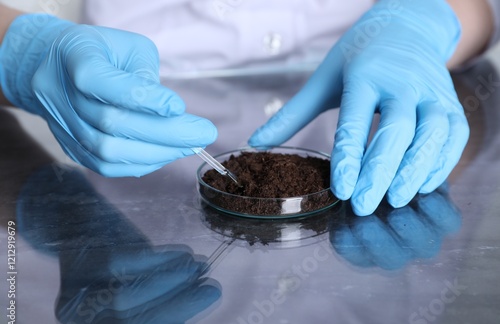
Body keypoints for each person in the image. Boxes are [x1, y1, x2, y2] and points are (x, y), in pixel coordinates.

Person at [0, 0, 498, 216]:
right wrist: (23, 52)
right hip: (129, 139)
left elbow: (481, 9)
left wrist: (423, 23)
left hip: (377, 100)